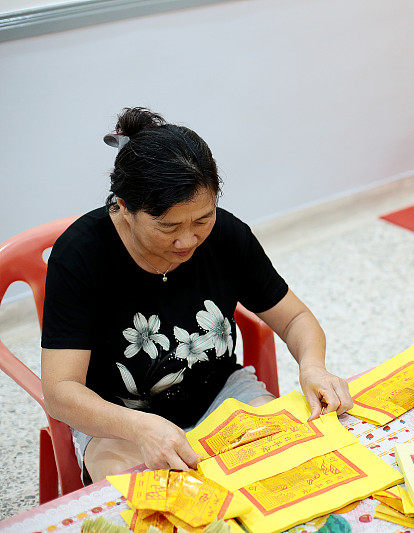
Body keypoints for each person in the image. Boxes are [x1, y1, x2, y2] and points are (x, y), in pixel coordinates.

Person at [41, 107, 353, 484]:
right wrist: (142, 428)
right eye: (167, 226)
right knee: (141, 495)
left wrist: (312, 366)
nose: (188, 240)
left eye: (202, 219)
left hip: (221, 394)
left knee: (290, 469)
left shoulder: (227, 235)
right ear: (123, 207)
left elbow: (294, 318)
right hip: (120, 417)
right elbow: (60, 391)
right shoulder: (81, 254)